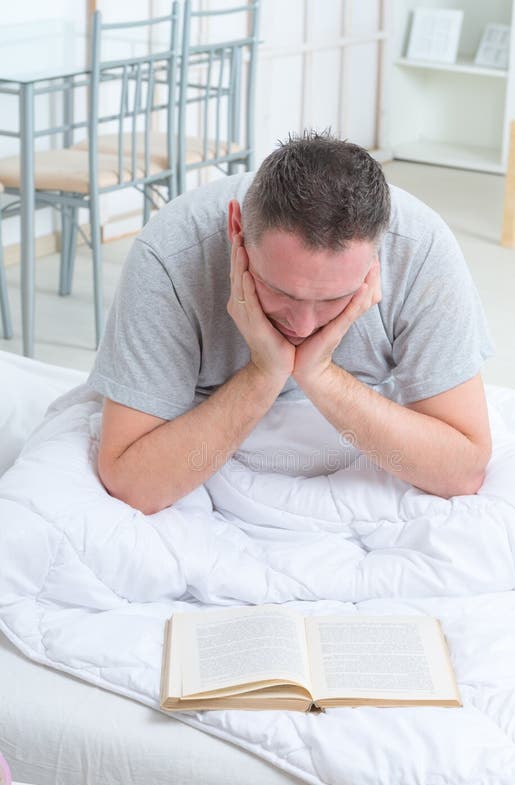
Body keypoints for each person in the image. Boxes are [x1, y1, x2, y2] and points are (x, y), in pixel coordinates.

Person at [90, 132, 493, 515]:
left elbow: (463, 471)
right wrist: (265, 372)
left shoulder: (421, 248)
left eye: (334, 299)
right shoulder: (169, 253)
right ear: (237, 230)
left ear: (377, 256)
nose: (303, 326)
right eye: (281, 291)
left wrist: (319, 373)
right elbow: (132, 483)